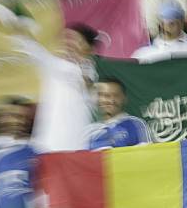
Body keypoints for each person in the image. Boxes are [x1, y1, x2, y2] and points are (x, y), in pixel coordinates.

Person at [12, 23, 99, 152]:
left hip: (78, 145)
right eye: (67, 39)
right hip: (48, 144)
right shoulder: (53, 64)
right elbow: (30, 47)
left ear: (89, 48)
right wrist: (17, 23)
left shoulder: (92, 73)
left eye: (76, 40)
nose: (69, 43)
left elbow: (89, 88)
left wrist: (81, 65)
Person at [132, 0, 187, 64]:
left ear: (182, 22)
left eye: (176, 19)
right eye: (167, 19)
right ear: (160, 23)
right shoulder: (144, 52)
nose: (172, 23)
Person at [88, 78, 152, 150]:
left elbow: (147, 156)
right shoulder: (90, 131)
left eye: (116, 95)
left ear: (124, 99)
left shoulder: (136, 124)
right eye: (106, 96)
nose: (111, 100)